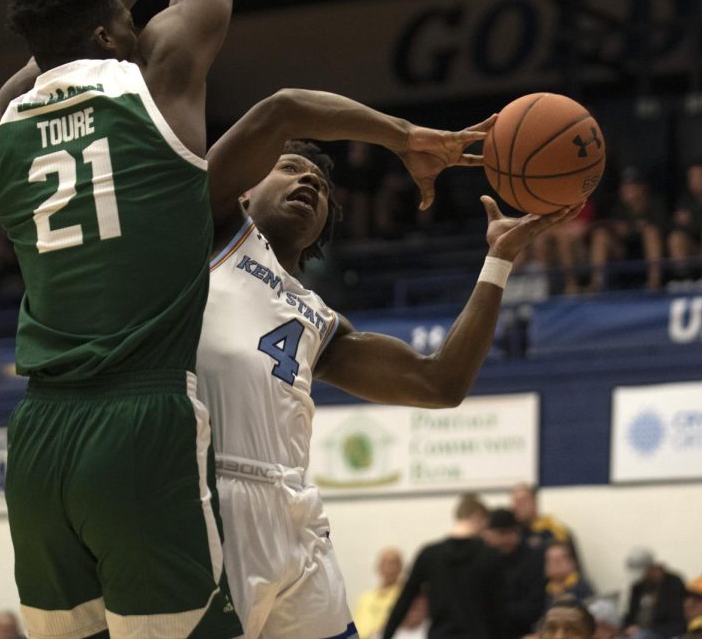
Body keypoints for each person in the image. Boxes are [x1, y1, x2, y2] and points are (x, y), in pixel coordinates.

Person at [0, 0, 242, 638]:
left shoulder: (9, 111)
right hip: (141, 419)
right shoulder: (163, 75)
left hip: (38, 439)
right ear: (111, 31)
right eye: (124, 20)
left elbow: (92, 5)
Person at [196, 87, 582, 638]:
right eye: (288, 167)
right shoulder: (207, 236)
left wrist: (498, 260)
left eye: (323, 186)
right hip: (213, 497)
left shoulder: (319, 321)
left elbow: (439, 383)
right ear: (244, 192)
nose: (308, 181)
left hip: (295, 516)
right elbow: (280, 108)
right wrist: (404, 136)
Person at [380, 494, 508, 639]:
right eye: (485, 526)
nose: (485, 533)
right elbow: (500, 611)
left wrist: (386, 635)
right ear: (478, 517)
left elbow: (404, 600)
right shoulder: (490, 556)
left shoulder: (429, 554)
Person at [588, 167, 666, 291]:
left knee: (651, 233)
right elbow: (609, 226)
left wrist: (632, 228)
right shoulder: (618, 207)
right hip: (623, 254)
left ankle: (654, 282)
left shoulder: (654, 204)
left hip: (648, 254)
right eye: (626, 186)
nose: (628, 191)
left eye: (633, 186)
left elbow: (660, 228)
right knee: (601, 235)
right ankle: (596, 284)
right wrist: (627, 228)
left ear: (642, 188)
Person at [483, 507, 548, 638]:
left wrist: (497, 610)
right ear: (487, 534)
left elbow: (534, 607)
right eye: (502, 533)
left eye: (513, 532)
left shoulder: (532, 559)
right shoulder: (481, 560)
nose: (508, 538)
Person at [622, 547, 686, 638]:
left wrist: (644, 629)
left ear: (652, 567)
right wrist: (628, 627)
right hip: (641, 630)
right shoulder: (638, 587)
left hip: (664, 630)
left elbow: (675, 617)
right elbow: (630, 614)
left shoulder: (673, 583)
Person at [510, 483, 581, 563]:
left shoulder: (554, 531)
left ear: (535, 502)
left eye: (522, 501)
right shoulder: (509, 533)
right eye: (515, 502)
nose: (517, 506)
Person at [667, 160, 702, 281]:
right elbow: (675, 227)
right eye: (692, 176)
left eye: (699, 176)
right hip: (697, 251)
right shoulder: (685, 201)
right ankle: (683, 280)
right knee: (676, 238)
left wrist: (694, 220)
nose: (695, 180)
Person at [354, 548, 405, 639]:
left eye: (393, 563)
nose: (389, 567)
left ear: (401, 567)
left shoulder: (404, 596)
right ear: (378, 567)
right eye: (385, 562)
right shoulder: (366, 597)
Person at [545, 542, 595, 607]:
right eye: (550, 560)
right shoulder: (546, 591)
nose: (554, 565)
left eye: (559, 560)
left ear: (573, 562)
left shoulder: (581, 587)